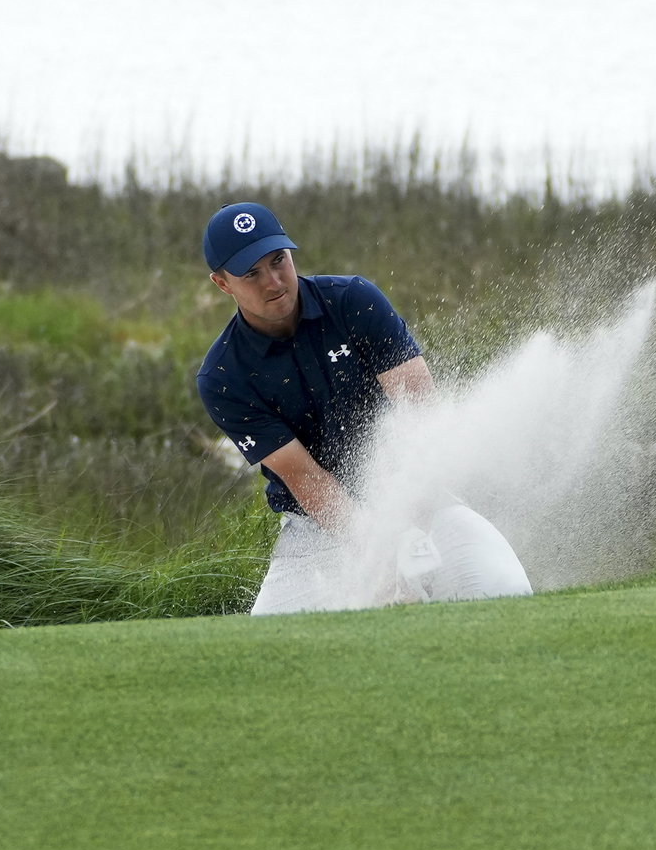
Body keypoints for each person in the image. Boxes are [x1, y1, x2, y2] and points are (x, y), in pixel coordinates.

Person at [196, 202, 531, 614]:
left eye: (278, 260)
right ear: (223, 284)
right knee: (271, 637)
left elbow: (421, 415)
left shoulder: (353, 301)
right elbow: (307, 480)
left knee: (505, 590)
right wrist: (381, 553)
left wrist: (407, 522)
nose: (274, 281)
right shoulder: (224, 376)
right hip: (316, 530)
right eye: (252, 273)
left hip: (419, 497)